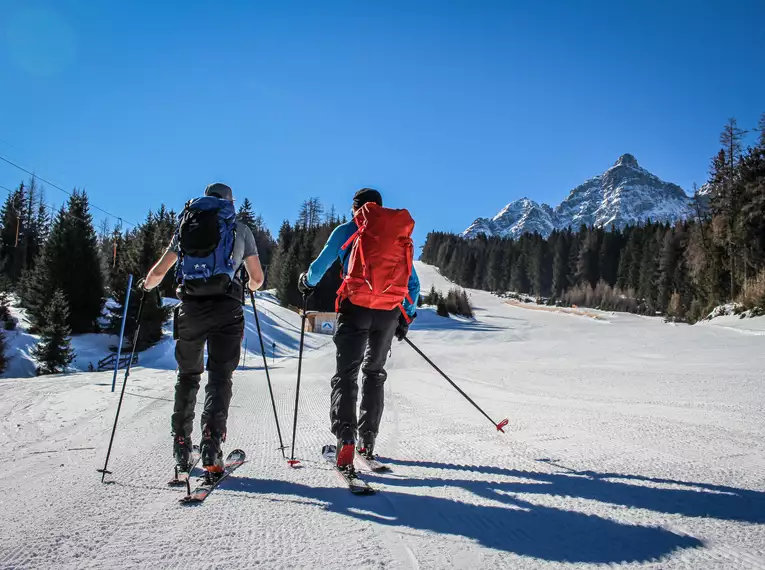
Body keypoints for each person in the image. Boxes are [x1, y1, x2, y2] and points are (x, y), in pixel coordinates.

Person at [142, 183, 264, 473]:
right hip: (227, 308)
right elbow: (257, 279)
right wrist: (248, 285)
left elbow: (159, 272)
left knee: (187, 376)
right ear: (229, 201)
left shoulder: (187, 225)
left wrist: (146, 285)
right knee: (220, 376)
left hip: (191, 308)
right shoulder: (240, 229)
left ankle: (182, 445)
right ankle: (211, 444)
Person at [298, 188, 420, 468]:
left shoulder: (348, 229)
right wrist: (406, 318)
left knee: (346, 375)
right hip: (388, 313)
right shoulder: (397, 236)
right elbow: (412, 284)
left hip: (355, 309)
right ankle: (368, 441)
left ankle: (346, 440)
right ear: (379, 207)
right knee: (374, 374)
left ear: (355, 208)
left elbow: (321, 266)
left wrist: (307, 282)